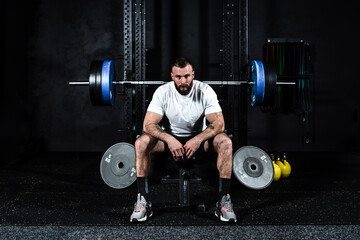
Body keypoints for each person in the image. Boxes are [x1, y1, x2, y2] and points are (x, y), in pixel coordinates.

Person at [130, 57, 237, 223]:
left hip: (200, 140)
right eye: (178, 77)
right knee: (141, 142)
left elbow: (219, 124)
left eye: (187, 76)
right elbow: (148, 124)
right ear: (172, 76)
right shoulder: (163, 92)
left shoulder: (205, 90)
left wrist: (197, 140)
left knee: (226, 142)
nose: (183, 81)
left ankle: (224, 201)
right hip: (168, 141)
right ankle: (143, 201)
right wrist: (170, 139)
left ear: (193, 75)